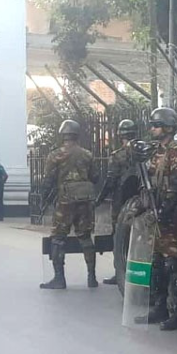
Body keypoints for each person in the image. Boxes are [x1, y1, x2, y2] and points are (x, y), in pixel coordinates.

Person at [134, 108, 177, 330]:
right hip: (155, 214)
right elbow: (148, 181)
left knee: (172, 263)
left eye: (156, 125)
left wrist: (165, 208)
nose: (152, 129)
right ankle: (160, 307)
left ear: (167, 128)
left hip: (172, 216)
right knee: (156, 263)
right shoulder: (155, 153)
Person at [40, 119, 100, 289]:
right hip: (85, 200)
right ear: (76, 135)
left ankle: (59, 278)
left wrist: (45, 199)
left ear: (63, 135)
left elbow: (48, 180)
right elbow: (95, 178)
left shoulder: (55, 155)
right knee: (86, 237)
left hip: (65, 201)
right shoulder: (87, 154)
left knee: (58, 238)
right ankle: (92, 277)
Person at [98, 118, 139, 284]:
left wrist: (100, 198)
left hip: (121, 202)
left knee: (120, 236)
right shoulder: (144, 151)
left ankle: (120, 272)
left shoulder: (118, 156)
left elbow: (111, 180)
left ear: (120, 135)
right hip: (141, 200)